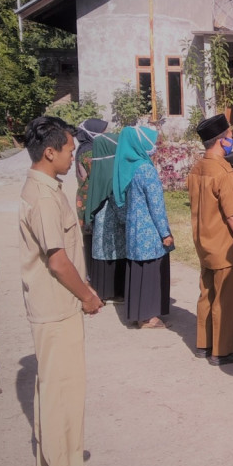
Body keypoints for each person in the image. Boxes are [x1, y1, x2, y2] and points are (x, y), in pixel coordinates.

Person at [19, 116, 109, 466]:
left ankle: (50, 457)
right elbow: (57, 260)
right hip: (56, 305)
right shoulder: (42, 196)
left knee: (52, 385)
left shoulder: (48, 187)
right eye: (70, 150)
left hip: (55, 302)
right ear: (50, 151)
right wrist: (87, 295)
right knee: (65, 388)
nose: (75, 156)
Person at [187, 114, 233, 363]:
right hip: (224, 245)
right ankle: (223, 349)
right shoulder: (223, 171)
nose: (231, 140)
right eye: (229, 136)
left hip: (203, 242)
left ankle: (204, 344)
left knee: (207, 294)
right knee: (226, 298)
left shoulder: (197, 168)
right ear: (220, 141)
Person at [113, 125, 173, 329]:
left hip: (133, 228)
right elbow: (156, 205)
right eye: (151, 143)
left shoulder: (127, 167)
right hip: (149, 229)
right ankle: (149, 317)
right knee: (151, 271)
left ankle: (140, 314)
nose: (154, 147)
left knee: (139, 272)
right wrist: (165, 232)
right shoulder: (146, 170)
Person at [85, 131, 126, 303]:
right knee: (115, 251)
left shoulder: (99, 165)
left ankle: (101, 290)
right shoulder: (110, 169)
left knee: (102, 252)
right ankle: (115, 291)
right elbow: (116, 196)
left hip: (100, 220)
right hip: (112, 220)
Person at [73, 118, 108, 282]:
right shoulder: (89, 152)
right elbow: (98, 174)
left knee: (91, 236)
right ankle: (93, 275)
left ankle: (93, 273)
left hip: (87, 198)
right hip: (89, 200)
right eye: (103, 132)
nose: (105, 135)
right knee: (92, 237)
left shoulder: (86, 148)